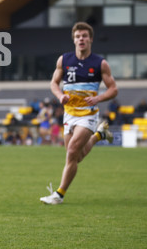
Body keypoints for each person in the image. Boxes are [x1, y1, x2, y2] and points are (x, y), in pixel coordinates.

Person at [40, 21, 118, 205]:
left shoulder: (100, 63)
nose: (81, 39)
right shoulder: (64, 60)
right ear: (73, 40)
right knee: (77, 156)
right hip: (69, 114)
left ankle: (59, 194)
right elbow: (53, 83)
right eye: (77, 36)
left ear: (90, 39)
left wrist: (98, 99)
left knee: (72, 151)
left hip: (88, 114)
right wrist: (59, 95)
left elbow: (113, 89)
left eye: (84, 36)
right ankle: (100, 135)